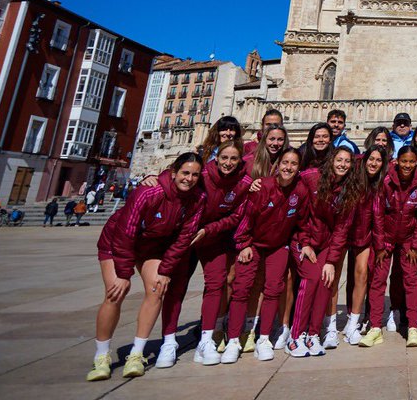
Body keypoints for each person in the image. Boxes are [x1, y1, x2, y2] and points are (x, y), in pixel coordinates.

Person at [86, 152, 205, 381]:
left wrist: (166, 270)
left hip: (154, 246)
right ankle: (101, 356)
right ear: (173, 172)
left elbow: (184, 238)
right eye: (185, 173)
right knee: (115, 293)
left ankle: (137, 353)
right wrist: (123, 273)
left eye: (194, 175)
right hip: (117, 243)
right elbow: (126, 230)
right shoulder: (149, 191)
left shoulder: (197, 199)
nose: (189, 178)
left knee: (156, 289)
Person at [156, 139, 253, 366]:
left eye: (233, 159)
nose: (228, 163)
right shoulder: (203, 174)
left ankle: (206, 339)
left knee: (216, 284)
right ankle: (168, 342)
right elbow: (175, 177)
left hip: (211, 236)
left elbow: (237, 216)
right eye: (224, 158)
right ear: (216, 157)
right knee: (176, 288)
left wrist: (208, 230)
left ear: (241, 161)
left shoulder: (243, 182)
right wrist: (154, 178)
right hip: (185, 236)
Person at [222, 147, 310, 364]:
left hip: (278, 246)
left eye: (294, 164)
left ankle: (263, 339)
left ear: (299, 168)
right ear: (278, 165)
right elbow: (246, 218)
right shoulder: (262, 187)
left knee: (273, 289)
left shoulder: (300, 191)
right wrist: (243, 244)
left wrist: (305, 244)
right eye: (285, 163)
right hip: (252, 244)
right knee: (242, 288)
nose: (288, 168)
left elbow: (303, 222)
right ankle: (234, 340)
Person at [288, 145, 361, 357]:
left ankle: (313, 334)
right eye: (339, 160)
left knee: (325, 282)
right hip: (303, 239)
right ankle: (296, 336)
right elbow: (297, 205)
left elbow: (342, 228)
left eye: (347, 161)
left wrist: (331, 260)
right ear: (331, 160)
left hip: (326, 242)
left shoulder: (349, 190)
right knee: (310, 280)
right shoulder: (311, 177)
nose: (343, 165)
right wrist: (306, 242)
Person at [360, 146, 417, 347]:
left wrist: (416, 246)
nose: (407, 165)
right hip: (387, 239)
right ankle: (375, 327)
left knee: (411, 280)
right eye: (404, 161)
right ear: (397, 161)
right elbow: (378, 213)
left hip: (409, 240)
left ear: (416, 162)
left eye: (411, 162)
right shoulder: (387, 181)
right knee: (377, 280)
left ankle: (413, 327)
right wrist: (380, 244)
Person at [341, 145, 386, 343]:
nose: (373, 163)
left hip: (364, 233)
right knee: (333, 278)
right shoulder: (351, 176)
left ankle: (353, 321)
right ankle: (331, 322)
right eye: (371, 159)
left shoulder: (380, 183)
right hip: (342, 230)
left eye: (378, 160)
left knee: (361, 273)